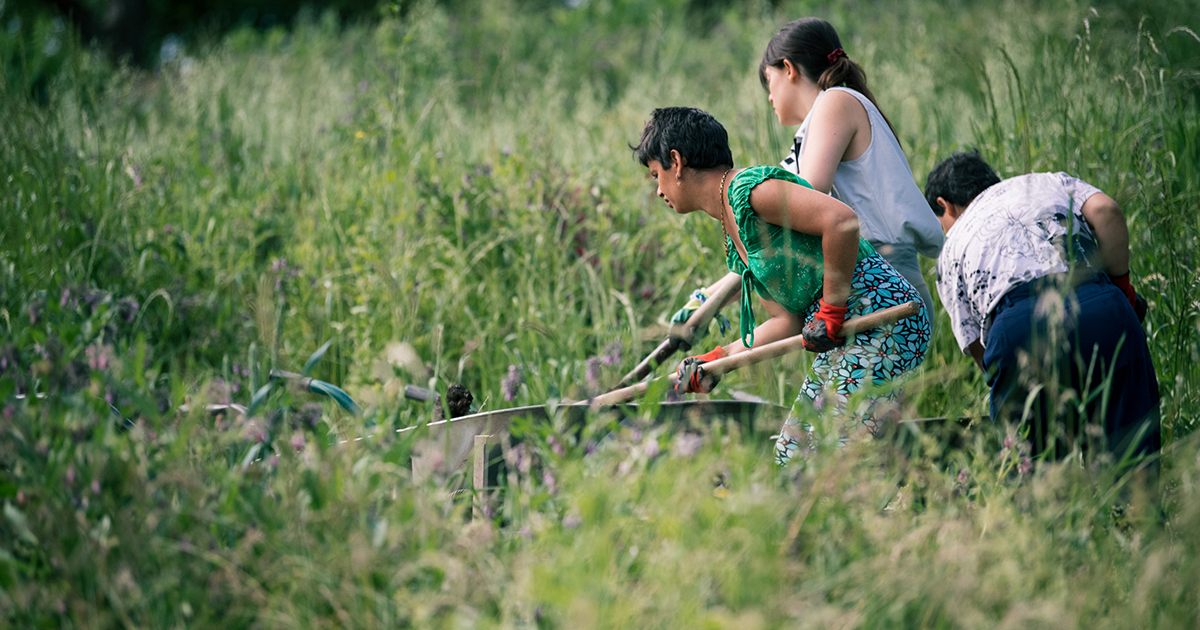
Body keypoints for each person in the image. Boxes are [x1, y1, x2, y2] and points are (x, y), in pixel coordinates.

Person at [633, 107, 931, 466]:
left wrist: (832, 309)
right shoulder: (735, 232)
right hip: (849, 334)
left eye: (655, 175)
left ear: (676, 162)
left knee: (810, 461)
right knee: (795, 456)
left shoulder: (749, 190)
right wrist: (717, 360)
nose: (659, 190)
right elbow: (787, 321)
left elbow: (841, 222)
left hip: (882, 316)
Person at [924, 150, 1160, 459]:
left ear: (944, 205)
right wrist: (1121, 292)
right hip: (1101, 304)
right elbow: (1106, 211)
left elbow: (981, 353)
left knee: (1033, 474)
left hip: (1018, 327)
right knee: (1131, 455)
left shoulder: (952, 246)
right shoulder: (1047, 182)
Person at [758, 17, 944, 315]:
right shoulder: (817, 128)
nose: (769, 96)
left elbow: (808, 195)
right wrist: (708, 296)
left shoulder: (836, 102)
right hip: (865, 285)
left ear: (789, 69)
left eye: (769, 81)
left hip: (885, 285)